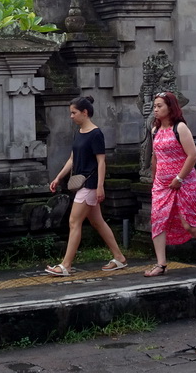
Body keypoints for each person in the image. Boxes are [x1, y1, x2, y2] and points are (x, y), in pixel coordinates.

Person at [46, 96, 128, 276]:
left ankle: (66, 265)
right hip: (83, 183)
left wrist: (100, 186)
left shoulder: (96, 133)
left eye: (74, 113)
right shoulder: (79, 132)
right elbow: (72, 159)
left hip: (89, 184)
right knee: (97, 221)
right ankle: (119, 257)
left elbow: (101, 162)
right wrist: (58, 177)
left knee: (74, 222)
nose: (71, 116)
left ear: (85, 112)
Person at [144, 91, 196, 277]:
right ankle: (161, 264)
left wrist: (179, 178)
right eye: (155, 106)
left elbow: (193, 155)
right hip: (162, 184)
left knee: (189, 224)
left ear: (170, 107)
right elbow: (155, 157)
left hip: (184, 181)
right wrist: (154, 180)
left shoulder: (180, 128)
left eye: (159, 106)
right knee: (158, 220)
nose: (155, 110)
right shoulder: (155, 130)